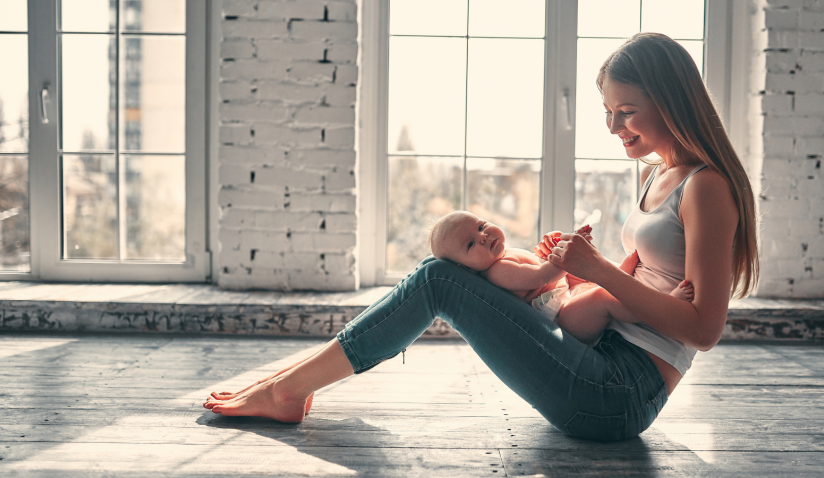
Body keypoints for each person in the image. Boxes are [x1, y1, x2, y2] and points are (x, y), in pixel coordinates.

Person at [204, 32, 758, 442]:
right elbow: (645, 281)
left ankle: (289, 389)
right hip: (598, 354)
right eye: (608, 112)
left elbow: (704, 330)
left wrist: (597, 271)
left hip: (620, 394)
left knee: (441, 278)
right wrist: (571, 272)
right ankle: (289, 382)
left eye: (628, 112)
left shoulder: (706, 187)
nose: (613, 127)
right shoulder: (655, 173)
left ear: (672, 100)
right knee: (446, 274)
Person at [428, 210, 694, 345]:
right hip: (561, 319)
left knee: (589, 282)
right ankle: (660, 311)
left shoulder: (503, 255)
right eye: (471, 244)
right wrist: (570, 252)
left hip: (561, 298)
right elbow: (542, 275)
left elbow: (549, 271)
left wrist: (558, 245)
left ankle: (621, 280)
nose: (483, 236)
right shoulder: (497, 272)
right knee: (601, 298)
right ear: (466, 268)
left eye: (481, 225)